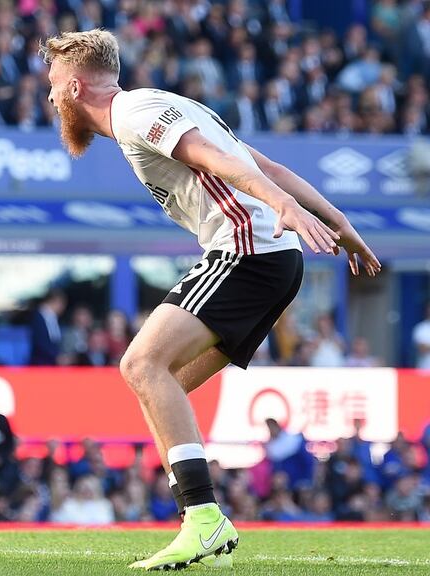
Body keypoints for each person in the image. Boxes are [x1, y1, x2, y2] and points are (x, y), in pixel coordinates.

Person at [40, 29, 380, 569]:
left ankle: (203, 520)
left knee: (141, 363)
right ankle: (200, 521)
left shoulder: (134, 113)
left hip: (249, 252)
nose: (50, 97)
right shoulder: (166, 105)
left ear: (76, 86)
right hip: (271, 257)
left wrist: (285, 207)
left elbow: (230, 166)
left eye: (53, 85)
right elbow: (266, 166)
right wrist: (337, 223)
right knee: (161, 383)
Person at [29, 289, 66, 365]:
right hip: (41, 362)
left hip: (53, 361)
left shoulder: (53, 318)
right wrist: (56, 356)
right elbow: (40, 341)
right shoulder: (38, 318)